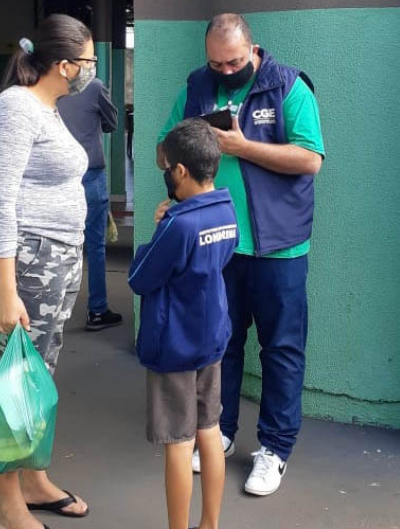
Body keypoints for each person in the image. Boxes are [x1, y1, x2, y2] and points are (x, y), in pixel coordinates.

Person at [157, 13, 325, 497]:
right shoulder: (197, 86)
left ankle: (274, 449)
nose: (225, 71)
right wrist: (178, 175)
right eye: (215, 63)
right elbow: (162, 151)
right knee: (220, 346)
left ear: (253, 49)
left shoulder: (288, 86)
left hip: (281, 247)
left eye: (233, 62)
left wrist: (242, 147)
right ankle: (220, 432)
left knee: (282, 350)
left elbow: (310, 159)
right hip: (217, 245)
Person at [0, 14, 98, 529]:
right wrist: (8, 292)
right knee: (17, 380)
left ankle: (33, 477)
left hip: (57, 258)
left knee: (40, 374)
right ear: (65, 64)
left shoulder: (47, 108)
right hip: (29, 261)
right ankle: (9, 509)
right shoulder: (15, 108)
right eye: (89, 62)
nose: (90, 72)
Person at [130, 119, 237, 529]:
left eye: (165, 167)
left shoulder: (177, 225)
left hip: (174, 345)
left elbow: (141, 277)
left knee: (178, 441)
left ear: (179, 172)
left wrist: (158, 229)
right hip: (211, 338)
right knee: (209, 430)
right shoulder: (225, 210)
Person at [57, 77, 123, 331]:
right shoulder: (94, 86)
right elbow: (112, 122)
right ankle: (97, 310)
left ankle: (53, 312)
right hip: (90, 174)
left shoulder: (47, 83)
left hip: (59, 175)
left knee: (59, 242)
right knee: (95, 246)